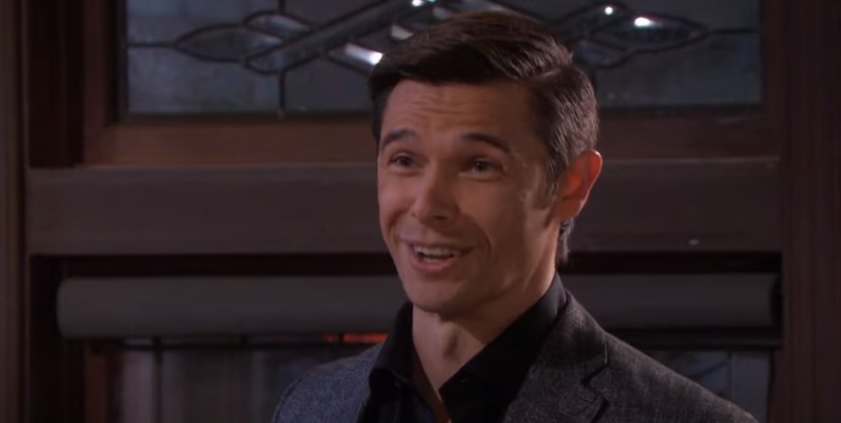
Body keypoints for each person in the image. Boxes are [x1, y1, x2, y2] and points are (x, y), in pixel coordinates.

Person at [273, 10, 757, 423]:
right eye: (405, 160)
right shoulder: (310, 405)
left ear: (572, 185)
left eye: (479, 166)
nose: (427, 205)